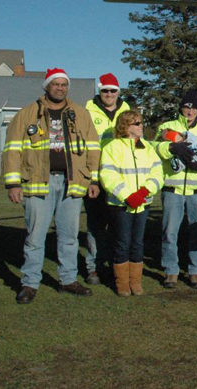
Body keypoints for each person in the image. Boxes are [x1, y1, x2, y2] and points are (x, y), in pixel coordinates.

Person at [3, 68, 100, 304]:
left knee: (69, 237)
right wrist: (13, 183)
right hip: (38, 184)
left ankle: (68, 280)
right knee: (35, 237)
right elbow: (12, 151)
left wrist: (93, 179)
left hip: (72, 184)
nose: (60, 88)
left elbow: (93, 149)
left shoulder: (80, 113)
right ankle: (29, 283)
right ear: (46, 86)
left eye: (64, 84)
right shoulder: (27, 114)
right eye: (55, 84)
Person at [155, 89, 197, 290]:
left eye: (194, 108)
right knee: (169, 232)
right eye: (186, 107)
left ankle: (195, 271)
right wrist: (173, 148)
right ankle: (171, 270)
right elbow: (156, 148)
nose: (190, 111)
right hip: (172, 188)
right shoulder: (168, 126)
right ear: (181, 108)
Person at [99, 109, 163, 297]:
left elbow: (157, 173)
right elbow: (108, 176)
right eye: (137, 123)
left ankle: (135, 282)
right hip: (121, 206)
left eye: (141, 122)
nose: (141, 126)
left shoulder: (147, 148)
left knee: (137, 243)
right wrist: (128, 196)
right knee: (122, 243)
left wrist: (143, 192)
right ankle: (122, 283)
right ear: (125, 126)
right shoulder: (112, 147)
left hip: (143, 204)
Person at [83, 72, 131, 285]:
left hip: (120, 177)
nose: (109, 94)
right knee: (95, 225)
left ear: (118, 91)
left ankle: (115, 265)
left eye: (113, 90)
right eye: (105, 90)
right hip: (95, 175)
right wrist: (91, 177)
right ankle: (93, 267)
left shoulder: (127, 110)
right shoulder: (87, 111)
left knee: (118, 224)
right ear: (99, 91)